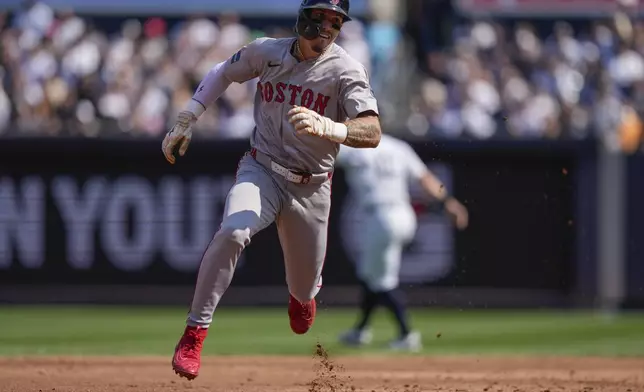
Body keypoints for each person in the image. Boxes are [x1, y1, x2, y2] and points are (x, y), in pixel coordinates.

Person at [161, 0, 381, 380]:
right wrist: (189, 114)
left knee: (303, 287)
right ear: (302, 17)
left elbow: (373, 130)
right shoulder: (268, 51)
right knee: (233, 231)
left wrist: (333, 129)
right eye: (320, 17)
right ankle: (194, 333)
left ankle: (303, 296)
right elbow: (223, 72)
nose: (327, 27)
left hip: (311, 188)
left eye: (336, 21)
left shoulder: (345, 69)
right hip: (261, 168)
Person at [335, 133, 468, 352]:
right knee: (371, 274)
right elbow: (426, 179)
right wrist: (449, 202)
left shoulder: (353, 147)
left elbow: (320, 155)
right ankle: (360, 330)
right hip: (403, 214)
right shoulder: (398, 147)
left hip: (379, 217)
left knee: (381, 282)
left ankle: (407, 333)